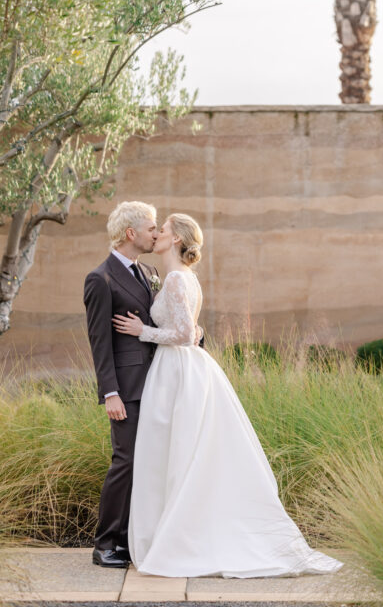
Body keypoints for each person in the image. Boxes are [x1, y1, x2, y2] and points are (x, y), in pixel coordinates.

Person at [113, 212, 342, 578]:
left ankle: (178, 537)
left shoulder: (174, 279)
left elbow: (187, 334)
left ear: (175, 240)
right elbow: (196, 327)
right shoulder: (183, 279)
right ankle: (179, 531)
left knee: (177, 451)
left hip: (177, 369)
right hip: (183, 370)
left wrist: (143, 330)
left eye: (164, 230)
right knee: (181, 452)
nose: (156, 234)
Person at [83, 201, 202, 569]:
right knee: (126, 460)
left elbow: (176, 319)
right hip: (128, 388)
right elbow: (100, 341)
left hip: (160, 382)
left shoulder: (150, 271)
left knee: (150, 463)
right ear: (131, 233)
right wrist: (110, 393)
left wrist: (195, 333)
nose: (156, 233)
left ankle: (129, 541)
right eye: (151, 228)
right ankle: (105, 544)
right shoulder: (99, 279)